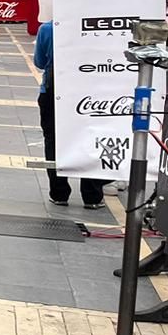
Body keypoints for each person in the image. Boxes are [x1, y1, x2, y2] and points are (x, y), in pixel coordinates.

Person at [34, 20, 107, 210]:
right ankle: (92, 196)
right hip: (89, 92)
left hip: (53, 91)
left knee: (53, 141)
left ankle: (58, 193)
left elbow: (40, 62)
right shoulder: (96, 26)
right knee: (90, 138)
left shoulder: (48, 28)